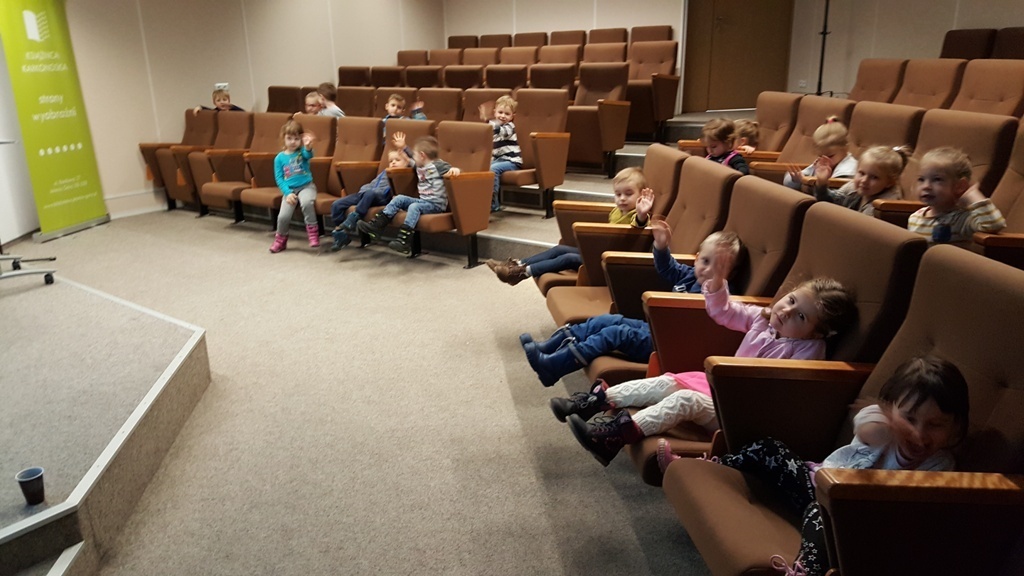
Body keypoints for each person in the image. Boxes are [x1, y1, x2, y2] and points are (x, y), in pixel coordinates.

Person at [657, 355, 970, 576]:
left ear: (956, 427)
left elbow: (906, 512)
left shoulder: (940, 465)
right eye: (910, 419)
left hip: (845, 518)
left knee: (819, 512)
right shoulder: (880, 429)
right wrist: (883, 424)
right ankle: (715, 465)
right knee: (770, 448)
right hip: (815, 481)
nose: (919, 434)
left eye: (935, 425)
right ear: (889, 409)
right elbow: (867, 425)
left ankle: (805, 569)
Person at [561, 262, 858, 467]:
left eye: (801, 316)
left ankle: (614, 437)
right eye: (791, 301)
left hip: (741, 412)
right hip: (718, 389)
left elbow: (790, 391)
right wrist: (716, 287)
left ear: (818, 333)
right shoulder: (763, 318)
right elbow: (726, 312)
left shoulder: (810, 350)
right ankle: (596, 401)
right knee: (667, 381)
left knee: (684, 399)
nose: (787, 312)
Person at [524, 226, 741, 389]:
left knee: (615, 333)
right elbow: (668, 268)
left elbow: (712, 315)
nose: (708, 270)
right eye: (705, 261)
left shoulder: (720, 296)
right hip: (655, 330)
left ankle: (554, 367)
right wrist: (661, 247)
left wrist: (717, 286)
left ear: (729, 275)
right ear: (697, 259)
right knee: (607, 320)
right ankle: (550, 347)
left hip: (669, 344)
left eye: (718, 268)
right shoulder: (690, 274)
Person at [485, 167, 653, 286]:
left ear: (642, 195)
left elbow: (639, 226)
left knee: (568, 258)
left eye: (629, 194)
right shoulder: (617, 211)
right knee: (559, 249)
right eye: (618, 194)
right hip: (599, 253)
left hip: (613, 261)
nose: (622, 198)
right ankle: (516, 264)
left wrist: (642, 213)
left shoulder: (638, 215)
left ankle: (522, 273)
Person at [356, 134, 461, 254]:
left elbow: (454, 170)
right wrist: (403, 147)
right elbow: (410, 157)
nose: (413, 157)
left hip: (435, 205)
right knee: (399, 198)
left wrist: (455, 170)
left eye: (415, 155)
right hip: (423, 202)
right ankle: (377, 226)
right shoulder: (419, 165)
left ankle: (403, 240)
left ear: (422, 155)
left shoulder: (439, 165)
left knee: (414, 206)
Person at [907, 147, 1005, 244]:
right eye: (921, 179)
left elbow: (993, 225)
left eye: (937, 179)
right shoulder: (915, 218)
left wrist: (972, 194)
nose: (926, 186)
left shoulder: (961, 219)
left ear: (960, 186)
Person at [328, 136, 412, 251]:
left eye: (397, 160)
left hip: (381, 197)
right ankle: (341, 233)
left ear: (407, 162)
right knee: (337, 204)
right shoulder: (385, 171)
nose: (393, 163)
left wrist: (405, 149)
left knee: (370, 193)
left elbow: (415, 162)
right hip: (364, 193)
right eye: (391, 161)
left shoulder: (403, 173)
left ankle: (354, 218)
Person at [814, 145, 911, 217]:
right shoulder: (853, 188)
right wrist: (822, 183)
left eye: (874, 177)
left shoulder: (884, 207)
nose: (864, 180)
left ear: (889, 182)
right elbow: (831, 202)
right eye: (861, 173)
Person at [269, 120, 319, 253]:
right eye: (289, 138)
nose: (293, 142)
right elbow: (279, 178)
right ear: (283, 138)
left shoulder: (302, 152)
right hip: (290, 190)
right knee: (283, 217)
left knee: (307, 203)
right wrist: (287, 193)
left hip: (306, 187)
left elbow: (309, 154)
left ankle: (313, 232)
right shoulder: (279, 158)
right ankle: (280, 240)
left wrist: (308, 146)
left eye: (296, 139)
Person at [784, 116, 857, 193]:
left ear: (845, 149)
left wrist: (805, 184)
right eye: (820, 156)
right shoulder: (821, 162)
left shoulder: (849, 170)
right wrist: (796, 180)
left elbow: (831, 195)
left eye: (830, 156)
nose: (824, 160)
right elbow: (787, 182)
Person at [480, 95, 522, 212]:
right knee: (482, 169)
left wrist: (487, 119)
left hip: (512, 161)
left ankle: (493, 203)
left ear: (512, 116)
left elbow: (500, 130)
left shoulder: (510, 127)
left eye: (507, 114)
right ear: (494, 112)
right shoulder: (493, 128)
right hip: (499, 160)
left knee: (492, 170)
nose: (503, 116)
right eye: (500, 112)